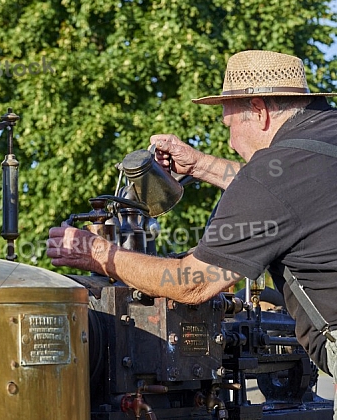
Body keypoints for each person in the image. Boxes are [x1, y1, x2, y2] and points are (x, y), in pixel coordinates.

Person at [47, 50, 337, 415]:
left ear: (260, 110)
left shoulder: (271, 175)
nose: (231, 141)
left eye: (229, 126)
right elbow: (285, 193)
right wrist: (199, 165)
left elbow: (192, 283)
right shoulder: (323, 140)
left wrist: (98, 254)